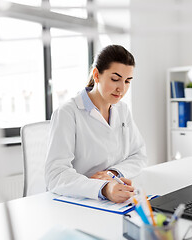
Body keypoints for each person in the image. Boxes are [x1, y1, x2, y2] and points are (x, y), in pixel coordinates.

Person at [45, 45, 147, 203]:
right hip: (78, 201)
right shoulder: (67, 113)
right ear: (96, 75)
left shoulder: (122, 109)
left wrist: (113, 173)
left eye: (127, 81)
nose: (122, 88)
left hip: (113, 200)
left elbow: (139, 155)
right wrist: (104, 188)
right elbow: (56, 175)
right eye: (115, 79)